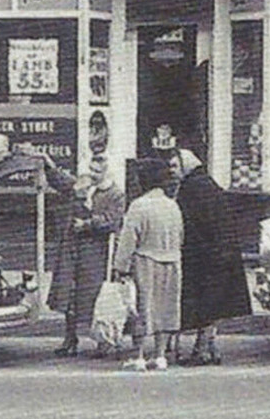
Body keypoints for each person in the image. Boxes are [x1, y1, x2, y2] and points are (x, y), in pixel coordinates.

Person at [169, 147, 252, 365]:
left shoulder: (191, 188)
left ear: (186, 166)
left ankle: (203, 350)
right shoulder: (207, 184)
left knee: (203, 304)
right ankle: (209, 347)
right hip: (220, 254)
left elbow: (186, 223)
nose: (172, 171)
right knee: (212, 304)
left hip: (203, 256)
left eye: (175, 166)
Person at [40, 152, 126, 357]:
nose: (94, 174)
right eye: (92, 169)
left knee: (95, 295)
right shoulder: (81, 185)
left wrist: (88, 224)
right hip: (72, 248)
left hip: (95, 251)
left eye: (98, 170)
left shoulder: (115, 194)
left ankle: (104, 341)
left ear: (107, 171)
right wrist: (48, 163)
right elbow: (60, 181)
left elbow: (113, 221)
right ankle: (70, 339)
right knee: (69, 293)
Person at [112, 155, 183, 372]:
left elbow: (128, 239)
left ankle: (139, 355)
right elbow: (181, 236)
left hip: (145, 262)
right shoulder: (173, 206)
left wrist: (120, 267)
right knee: (165, 308)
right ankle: (160, 355)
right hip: (171, 261)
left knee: (141, 308)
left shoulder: (138, 206)